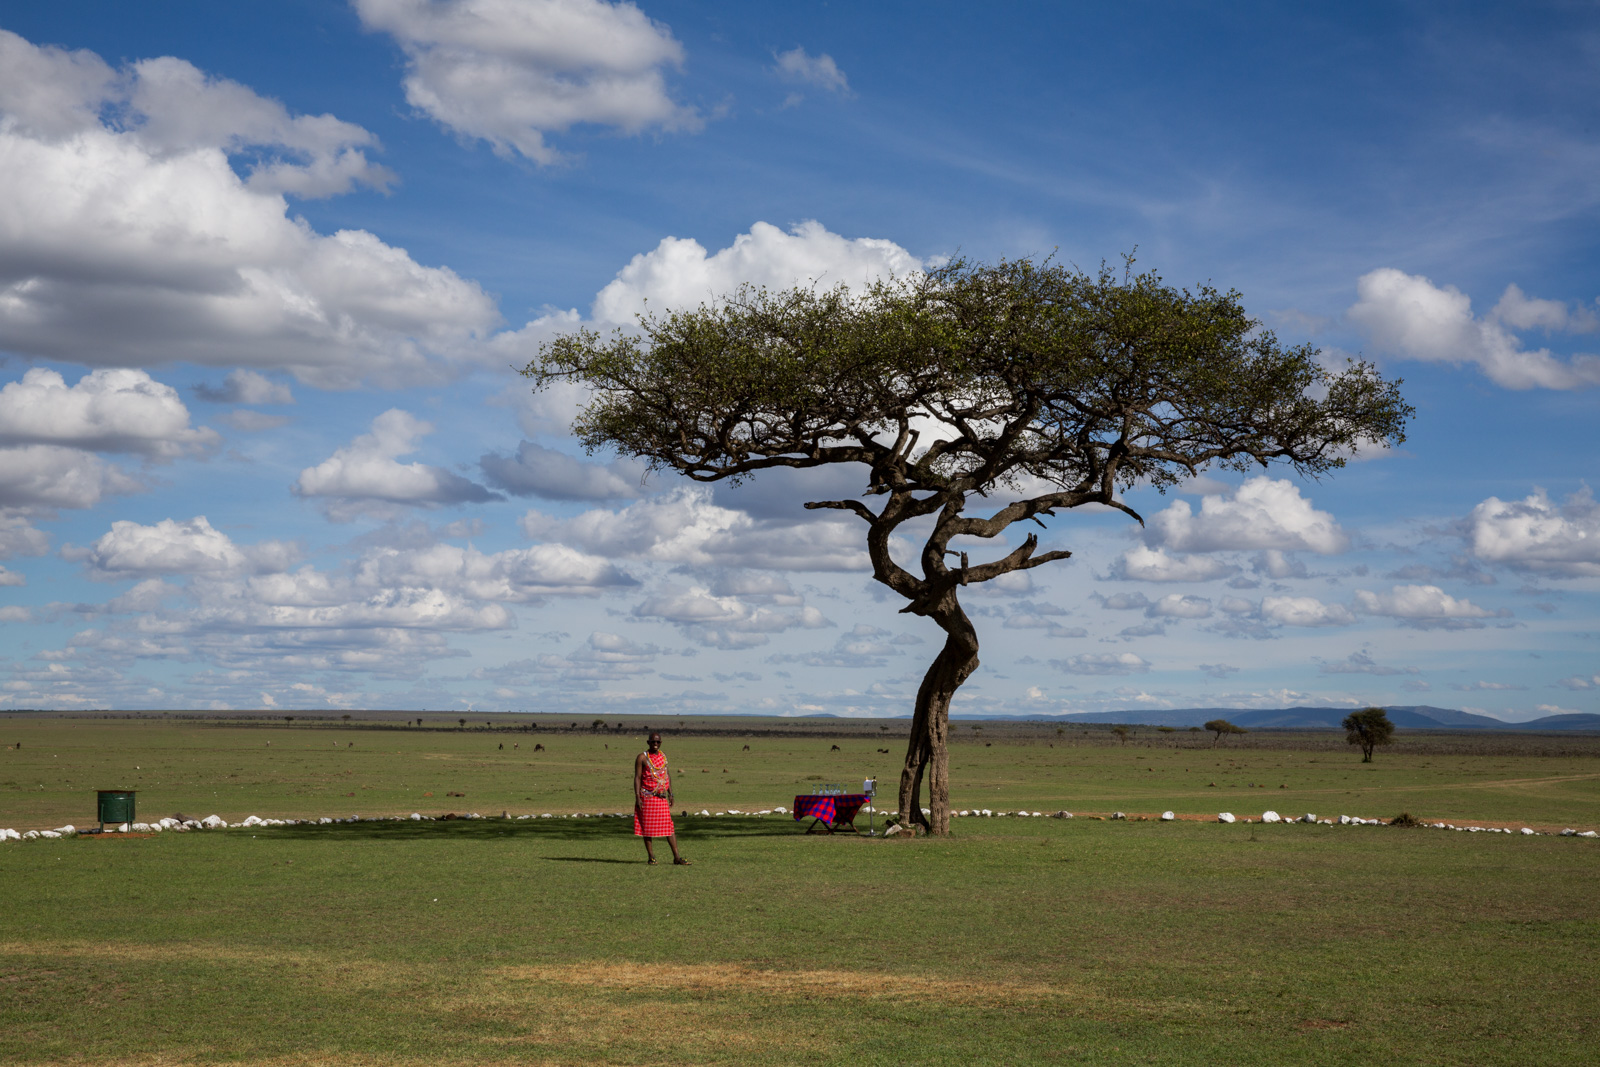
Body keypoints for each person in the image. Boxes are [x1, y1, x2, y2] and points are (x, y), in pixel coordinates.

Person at [634, 731, 690, 865]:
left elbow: (667, 775)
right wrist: (637, 797)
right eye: (653, 741)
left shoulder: (663, 757)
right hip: (647, 796)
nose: (655, 744)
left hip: (661, 798)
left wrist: (671, 793)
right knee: (647, 828)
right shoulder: (642, 757)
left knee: (669, 827)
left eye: (658, 742)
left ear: (661, 743)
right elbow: (637, 777)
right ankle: (651, 857)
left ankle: (676, 857)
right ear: (648, 742)